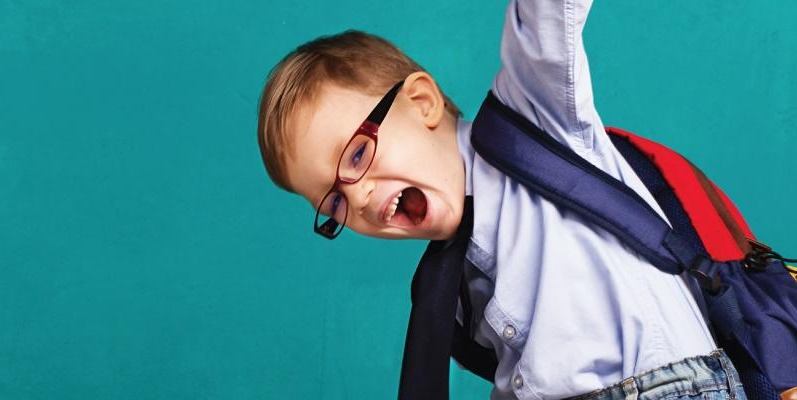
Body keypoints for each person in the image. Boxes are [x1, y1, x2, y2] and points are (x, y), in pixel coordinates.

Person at [256, 1, 748, 399]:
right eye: (334, 204)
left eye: (358, 152)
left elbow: (547, 17)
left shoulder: (536, 120)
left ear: (422, 102)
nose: (357, 195)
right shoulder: (447, 296)